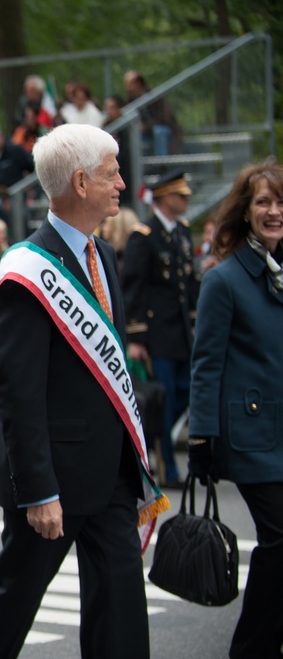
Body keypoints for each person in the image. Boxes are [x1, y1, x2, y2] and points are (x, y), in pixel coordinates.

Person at [0, 123, 165, 659]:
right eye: (112, 172)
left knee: (120, 606)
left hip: (112, 472)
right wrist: (37, 489)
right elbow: (17, 390)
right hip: (51, 480)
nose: (122, 181)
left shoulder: (106, 257)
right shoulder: (27, 269)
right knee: (13, 602)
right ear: (79, 182)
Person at [189, 159, 283, 659]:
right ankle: (251, 647)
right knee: (280, 539)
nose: (274, 211)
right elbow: (206, 364)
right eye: (264, 201)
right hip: (250, 436)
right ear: (245, 212)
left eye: (280, 201)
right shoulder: (223, 280)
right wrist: (201, 438)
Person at [122, 170, 200, 488]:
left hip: (180, 330)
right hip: (157, 333)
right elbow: (134, 287)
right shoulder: (144, 235)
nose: (185, 201)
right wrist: (137, 335)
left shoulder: (181, 231)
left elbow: (188, 283)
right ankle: (167, 468)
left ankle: (156, 446)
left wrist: (194, 322)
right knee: (164, 401)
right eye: (180, 195)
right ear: (165, 197)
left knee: (187, 390)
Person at [0, 123, 35, 220]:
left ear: (1, 137)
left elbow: (32, 167)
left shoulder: (15, 150)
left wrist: (29, 189)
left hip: (18, 197)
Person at [124, 70, 182, 157]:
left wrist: (145, 126)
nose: (127, 88)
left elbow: (163, 118)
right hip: (145, 133)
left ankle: (161, 165)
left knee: (158, 131)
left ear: (138, 84)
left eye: (129, 85)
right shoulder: (130, 101)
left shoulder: (154, 96)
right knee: (132, 135)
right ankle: (138, 168)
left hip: (165, 130)